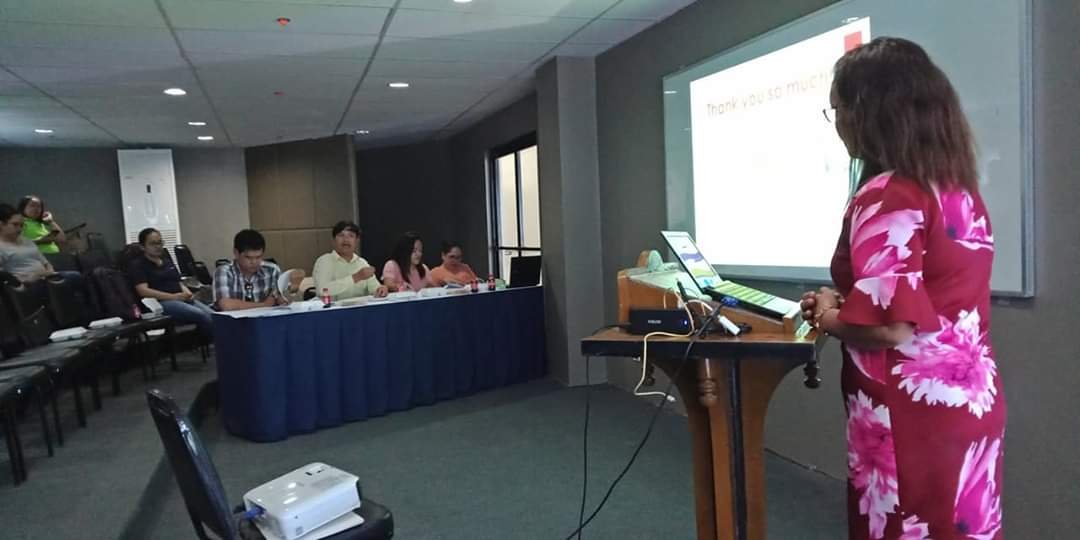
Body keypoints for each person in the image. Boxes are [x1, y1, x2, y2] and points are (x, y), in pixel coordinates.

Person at [799, 38, 1004, 539]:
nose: (837, 124)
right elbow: (931, 297)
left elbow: (891, 328)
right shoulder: (959, 192)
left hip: (908, 418)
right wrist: (849, 302)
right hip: (969, 405)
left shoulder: (887, 195)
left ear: (867, 111)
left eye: (837, 109)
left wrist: (824, 314)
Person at [129, 228, 214, 338]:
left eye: (160, 242)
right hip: (160, 303)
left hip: (180, 298)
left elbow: (179, 282)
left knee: (214, 315)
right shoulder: (138, 265)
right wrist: (173, 297)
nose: (158, 246)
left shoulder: (167, 262)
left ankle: (220, 342)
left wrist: (187, 293)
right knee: (200, 315)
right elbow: (143, 290)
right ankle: (218, 343)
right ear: (142, 246)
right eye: (153, 244)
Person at [214, 229, 305, 311]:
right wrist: (264, 305)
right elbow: (226, 305)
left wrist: (293, 288)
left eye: (258, 257)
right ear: (236, 253)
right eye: (248, 257)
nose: (254, 262)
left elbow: (281, 301)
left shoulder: (272, 270)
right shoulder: (224, 272)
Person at [0, 203, 82, 287]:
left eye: (21, 226)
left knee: (76, 276)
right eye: (15, 224)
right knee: (73, 277)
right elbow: (6, 276)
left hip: (46, 275)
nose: (19, 229)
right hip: (29, 282)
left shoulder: (32, 234)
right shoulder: (4, 245)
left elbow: (46, 260)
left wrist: (49, 272)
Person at [312, 221, 388, 301]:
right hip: (333, 308)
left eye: (351, 236)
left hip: (360, 307)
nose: (346, 240)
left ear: (357, 241)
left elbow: (374, 288)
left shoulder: (362, 263)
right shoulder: (324, 261)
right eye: (341, 235)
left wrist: (380, 289)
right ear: (333, 240)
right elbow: (322, 290)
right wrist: (355, 277)